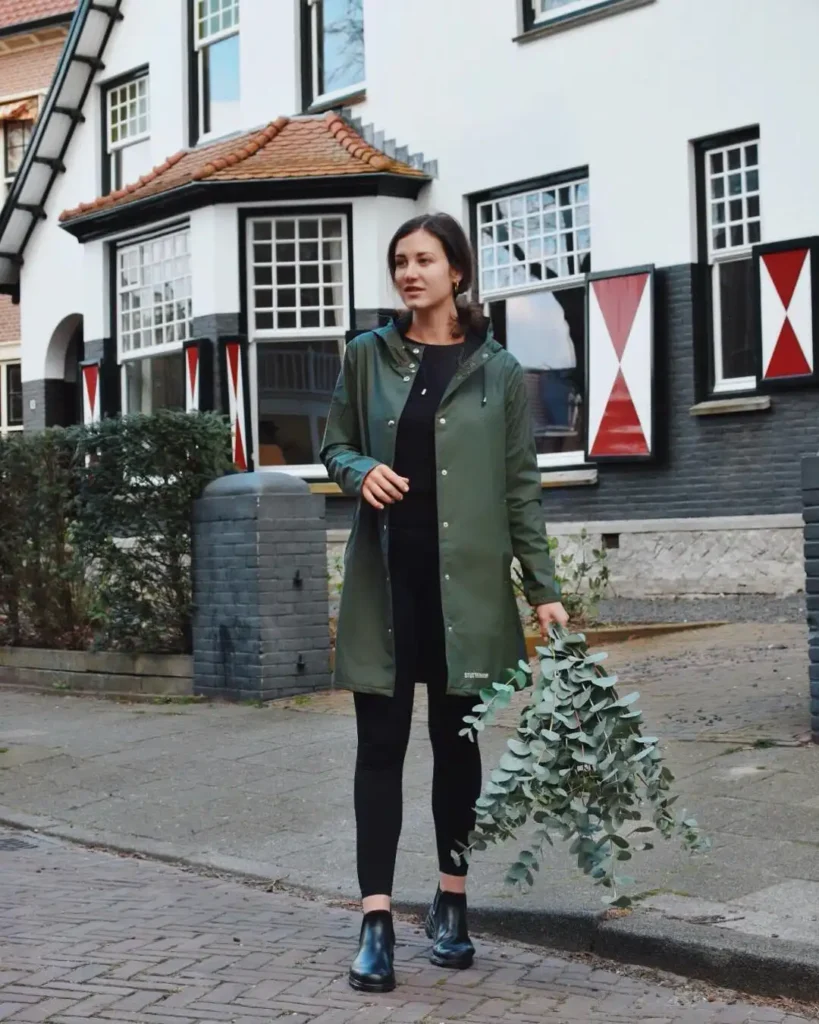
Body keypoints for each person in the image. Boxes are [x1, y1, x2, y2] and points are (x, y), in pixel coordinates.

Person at [320, 212, 568, 994]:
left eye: (423, 260)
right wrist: (359, 469)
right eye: (399, 261)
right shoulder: (367, 356)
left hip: (468, 593)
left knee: (457, 751)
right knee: (379, 751)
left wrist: (544, 593)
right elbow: (331, 443)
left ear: (456, 270)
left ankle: (452, 901)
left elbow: (520, 488)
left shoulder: (496, 369)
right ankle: (374, 920)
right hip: (385, 587)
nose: (408, 273)